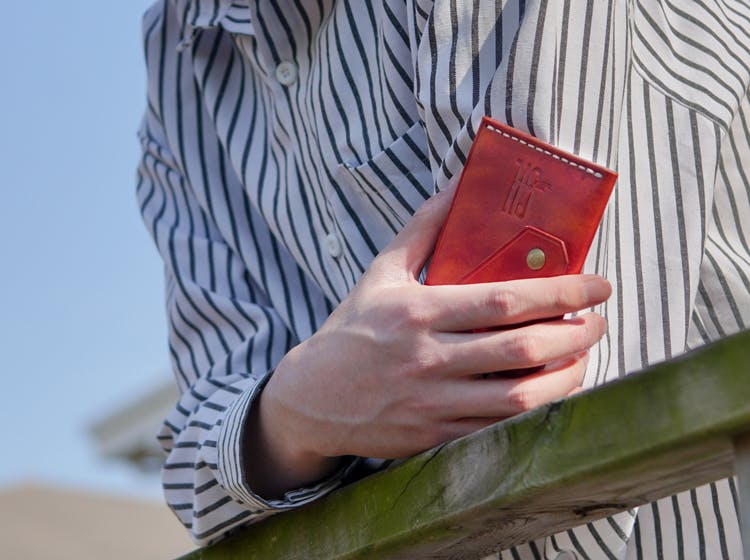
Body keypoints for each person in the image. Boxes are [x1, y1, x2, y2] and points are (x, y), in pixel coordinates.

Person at [136, 0, 750, 557]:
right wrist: (291, 415)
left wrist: (321, 427)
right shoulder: (177, 60)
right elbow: (195, 467)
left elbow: (526, 390)